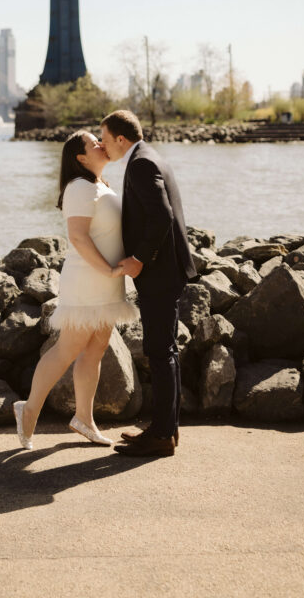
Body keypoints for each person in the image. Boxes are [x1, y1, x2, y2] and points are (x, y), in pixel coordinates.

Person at [13, 130, 139, 450]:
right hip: (88, 279)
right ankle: (29, 410)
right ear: (80, 158)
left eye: (101, 139)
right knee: (68, 348)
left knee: (96, 349)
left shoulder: (100, 185)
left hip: (108, 280)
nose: (101, 143)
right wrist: (109, 269)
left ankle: (84, 419)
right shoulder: (79, 187)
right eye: (93, 143)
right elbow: (79, 237)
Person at [100, 109, 197, 459]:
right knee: (164, 351)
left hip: (160, 273)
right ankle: (165, 430)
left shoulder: (140, 164)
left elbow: (161, 216)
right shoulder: (150, 157)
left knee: (160, 352)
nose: (102, 145)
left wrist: (139, 259)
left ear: (121, 139)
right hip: (167, 270)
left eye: (105, 139)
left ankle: (161, 435)